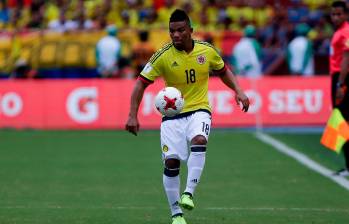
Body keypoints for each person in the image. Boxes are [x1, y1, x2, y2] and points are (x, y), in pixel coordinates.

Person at [125, 9, 250, 224]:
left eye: (181, 30)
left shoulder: (207, 51)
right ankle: (177, 215)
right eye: (172, 31)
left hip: (199, 110)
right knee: (172, 163)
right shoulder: (162, 56)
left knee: (199, 140)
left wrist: (238, 90)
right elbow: (140, 83)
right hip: (172, 118)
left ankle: (188, 193)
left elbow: (223, 71)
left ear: (190, 31)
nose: (175, 35)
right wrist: (132, 115)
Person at [329, 1, 349, 176]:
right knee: (340, 122)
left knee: (342, 121)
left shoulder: (346, 32)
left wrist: (340, 84)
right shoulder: (339, 32)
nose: (335, 17)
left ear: (346, 15)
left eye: (339, 14)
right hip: (337, 77)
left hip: (342, 77)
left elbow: (346, 60)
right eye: (333, 14)